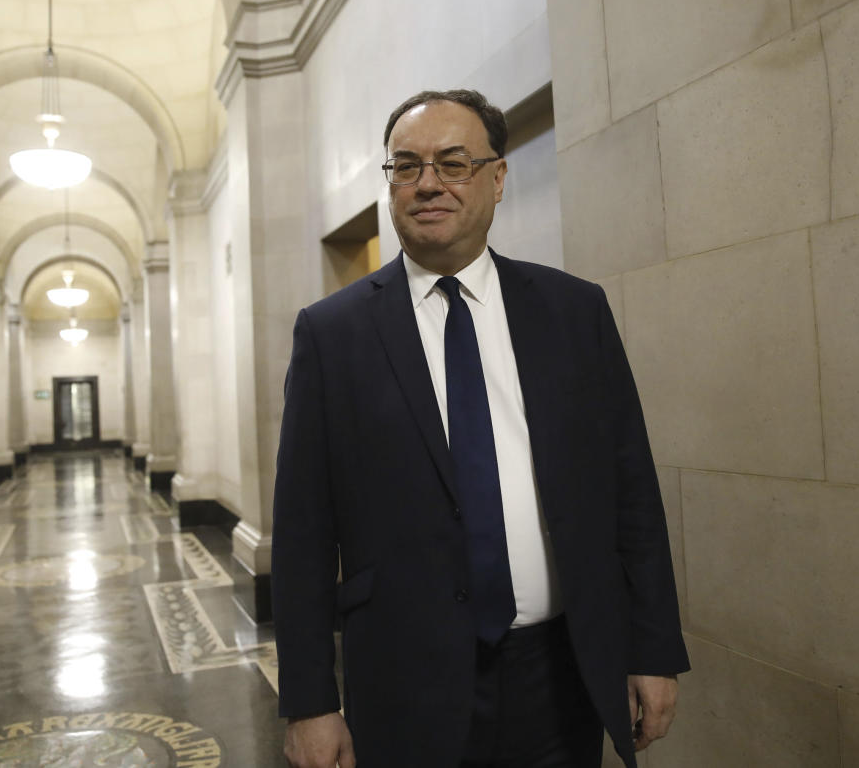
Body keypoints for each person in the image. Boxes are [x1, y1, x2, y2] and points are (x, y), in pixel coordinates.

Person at [272, 89, 689, 768]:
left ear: (497, 178)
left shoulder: (573, 312)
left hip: (562, 675)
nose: (427, 183)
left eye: (452, 163)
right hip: (406, 683)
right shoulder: (331, 334)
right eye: (406, 166)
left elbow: (630, 490)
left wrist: (651, 648)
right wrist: (311, 702)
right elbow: (302, 534)